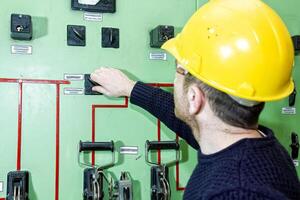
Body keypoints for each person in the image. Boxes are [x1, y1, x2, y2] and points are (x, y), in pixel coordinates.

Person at [91, 0, 300, 199]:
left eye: (179, 70)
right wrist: (130, 88)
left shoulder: (234, 191)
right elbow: (189, 124)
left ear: (194, 98)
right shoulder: (260, 147)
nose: (175, 78)